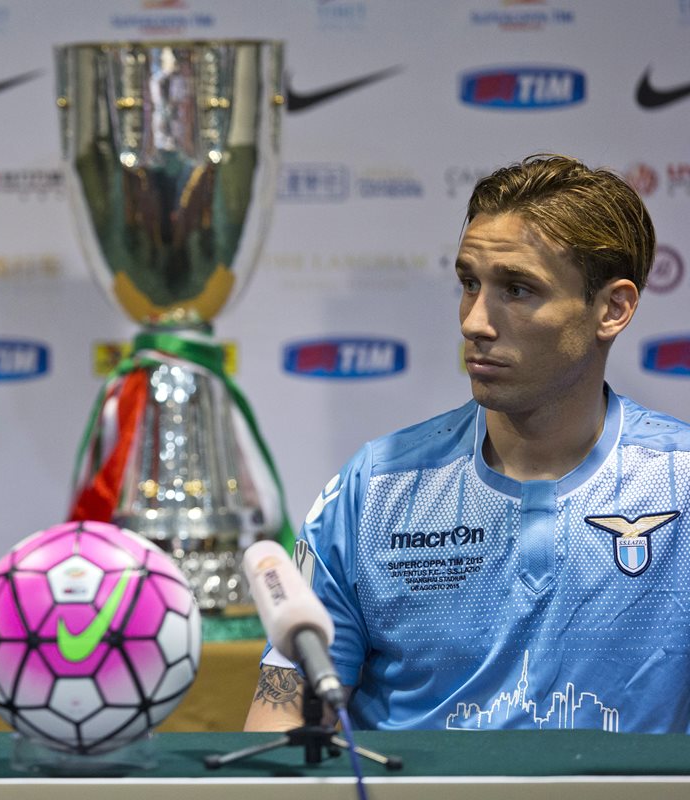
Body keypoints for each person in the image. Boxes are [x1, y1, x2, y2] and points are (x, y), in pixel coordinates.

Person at [245, 154, 690, 734]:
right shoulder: (375, 488)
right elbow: (283, 710)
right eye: (469, 284)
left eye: (518, 289)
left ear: (613, 308)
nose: (475, 321)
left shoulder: (680, 482)